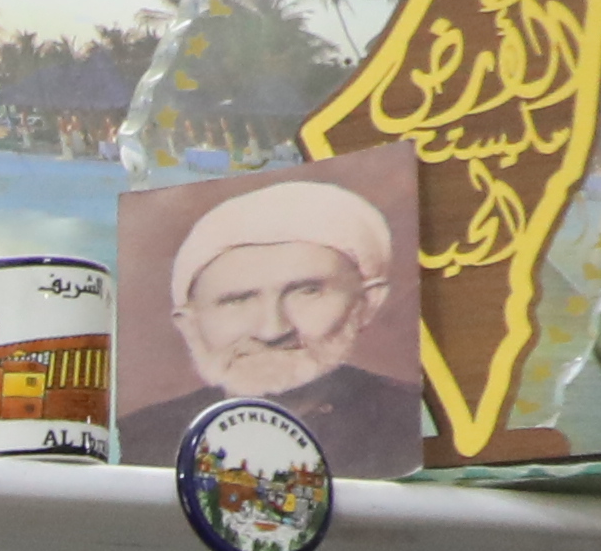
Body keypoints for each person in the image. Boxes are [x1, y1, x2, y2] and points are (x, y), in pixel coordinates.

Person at [132, 172, 418, 475]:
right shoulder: (143, 437)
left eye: (306, 292)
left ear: (367, 303)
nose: (272, 330)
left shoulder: (408, 421)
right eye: (237, 300)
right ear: (189, 324)